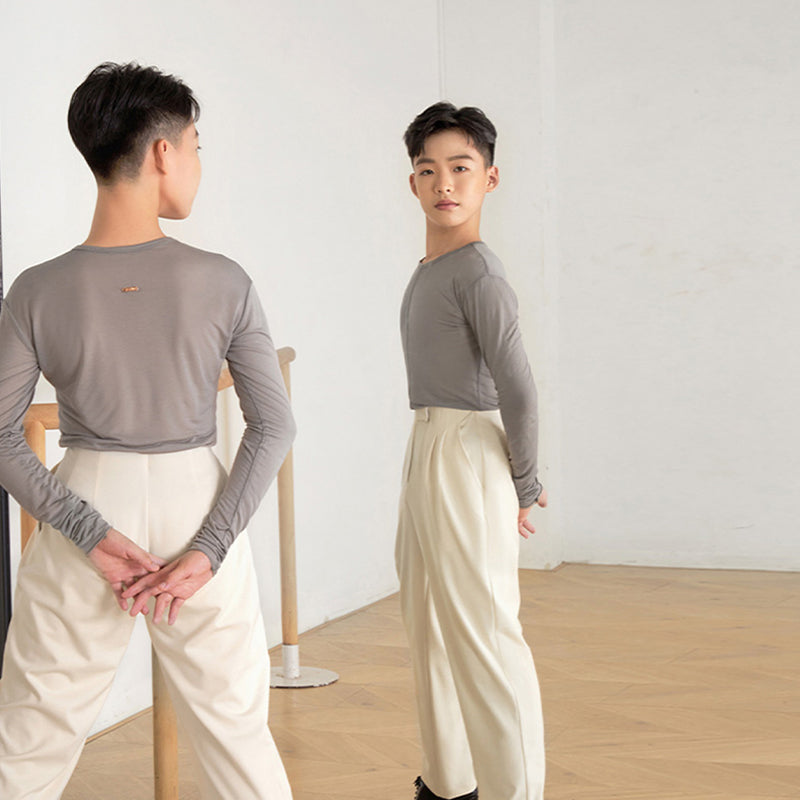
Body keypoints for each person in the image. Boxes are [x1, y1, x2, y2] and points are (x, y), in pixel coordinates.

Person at [0, 62, 295, 799]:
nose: (196, 163)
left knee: (28, 746)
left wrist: (87, 531)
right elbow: (272, 425)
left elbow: (0, 435)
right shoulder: (224, 280)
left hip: (87, 501)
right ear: (163, 152)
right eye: (195, 145)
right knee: (238, 742)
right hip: (199, 501)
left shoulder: (36, 290)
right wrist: (211, 546)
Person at [395, 102, 548, 800]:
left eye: (461, 167)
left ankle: (515, 791)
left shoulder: (479, 273)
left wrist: (524, 482)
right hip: (427, 443)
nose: (445, 184)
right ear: (413, 183)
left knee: (486, 632)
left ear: (490, 178)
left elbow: (519, 386)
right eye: (428, 170)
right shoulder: (433, 267)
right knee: (427, 621)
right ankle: (449, 783)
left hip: (465, 449)